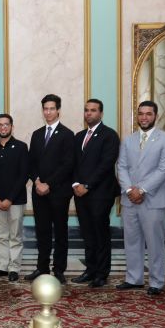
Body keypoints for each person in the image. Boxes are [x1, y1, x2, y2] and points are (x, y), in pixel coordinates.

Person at [115, 101, 165, 296]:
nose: (144, 117)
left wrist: (141, 190)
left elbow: (164, 169)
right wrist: (128, 190)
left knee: (154, 242)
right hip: (129, 199)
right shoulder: (128, 140)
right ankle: (134, 278)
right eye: (141, 114)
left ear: (155, 116)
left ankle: (156, 281)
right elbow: (121, 167)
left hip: (152, 199)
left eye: (148, 114)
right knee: (131, 241)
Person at [25, 94, 75, 283]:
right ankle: (42, 267)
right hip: (39, 192)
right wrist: (37, 182)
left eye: (52, 108)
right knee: (42, 231)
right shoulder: (37, 134)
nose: (48, 112)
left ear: (58, 110)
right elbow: (31, 163)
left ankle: (59, 269)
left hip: (59, 192)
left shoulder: (67, 134)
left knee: (60, 231)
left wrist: (49, 184)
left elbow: (67, 164)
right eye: (45, 108)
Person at [70, 99, 119, 288]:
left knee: (100, 233)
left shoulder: (109, 135)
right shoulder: (79, 136)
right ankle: (90, 270)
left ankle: (101, 273)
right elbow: (73, 163)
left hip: (101, 193)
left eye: (93, 110)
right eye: (86, 110)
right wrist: (76, 184)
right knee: (87, 233)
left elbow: (106, 164)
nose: (89, 113)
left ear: (101, 113)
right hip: (80, 193)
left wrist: (87, 185)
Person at [0, 114, 29, 282]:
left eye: (6, 125)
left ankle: (14, 267)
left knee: (15, 236)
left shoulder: (22, 147)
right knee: (1, 235)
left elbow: (23, 175)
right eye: (0, 125)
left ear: (11, 127)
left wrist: (9, 198)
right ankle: (2, 266)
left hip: (15, 201)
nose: (3, 128)